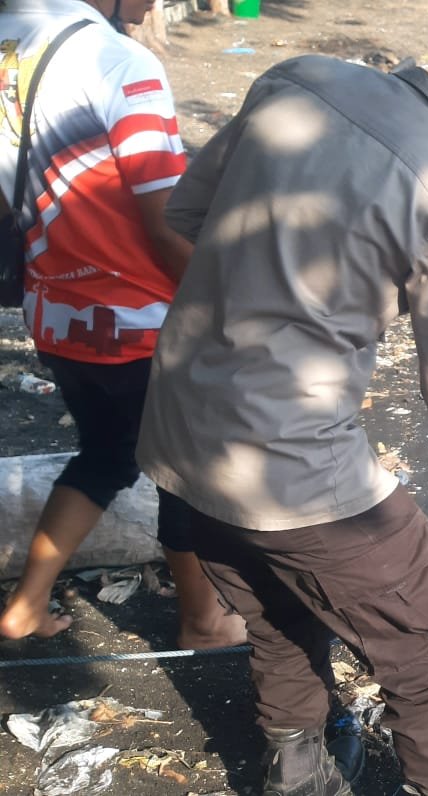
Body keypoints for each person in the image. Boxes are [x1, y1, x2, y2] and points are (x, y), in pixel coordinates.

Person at [134, 7, 428, 796]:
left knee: (277, 612)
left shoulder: (299, 78)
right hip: (287, 461)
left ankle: (297, 773)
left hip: (178, 429)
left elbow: (187, 215)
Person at [0, 0, 242, 648]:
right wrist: (228, 313)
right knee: (184, 474)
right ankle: (202, 619)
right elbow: (167, 220)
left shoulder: (7, 45)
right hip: (142, 324)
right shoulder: (118, 62)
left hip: (59, 317)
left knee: (106, 456)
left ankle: (24, 605)